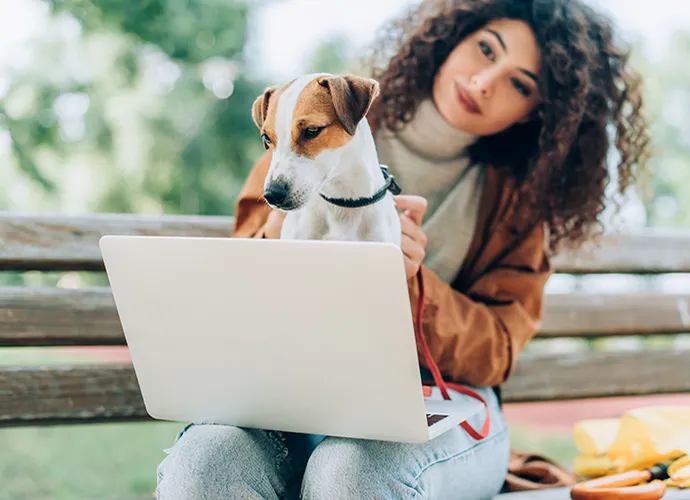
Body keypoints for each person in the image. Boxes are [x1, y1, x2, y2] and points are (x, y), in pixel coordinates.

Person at [155, 0, 650, 498]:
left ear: (539, 111)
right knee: (204, 463)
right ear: (450, 37)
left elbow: (496, 350)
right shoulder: (308, 123)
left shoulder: (518, 202)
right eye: (484, 49)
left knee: (351, 470)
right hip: (300, 393)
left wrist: (412, 284)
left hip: (443, 401)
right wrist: (292, 236)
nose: (483, 83)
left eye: (520, 84)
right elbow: (242, 274)